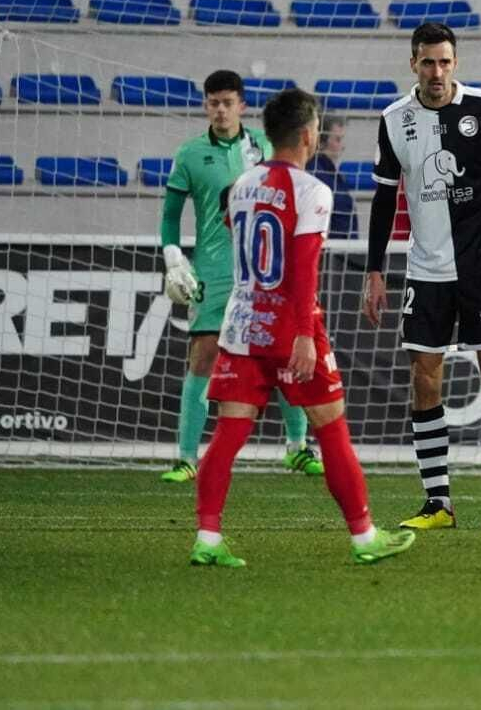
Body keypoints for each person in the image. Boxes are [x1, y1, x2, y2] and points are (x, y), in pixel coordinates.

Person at [188, 88, 415, 567]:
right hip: (291, 325)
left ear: (270, 134)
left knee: (229, 432)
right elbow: (306, 266)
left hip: (243, 322)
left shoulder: (243, 183)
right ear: (310, 136)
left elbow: (233, 228)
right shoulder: (313, 190)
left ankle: (207, 539)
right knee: (331, 430)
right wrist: (304, 334)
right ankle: (364, 537)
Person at [362, 22, 481, 532]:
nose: (437, 72)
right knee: (424, 379)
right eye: (427, 62)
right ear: (413, 64)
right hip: (425, 270)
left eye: (445, 61)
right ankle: (438, 503)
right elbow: (385, 199)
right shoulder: (393, 120)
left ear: (456, 63)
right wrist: (375, 269)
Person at [159, 69, 321, 484]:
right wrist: (173, 255)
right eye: (213, 102)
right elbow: (171, 216)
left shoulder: (267, 146)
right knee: (204, 354)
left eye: (227, 102)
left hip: (264, 270)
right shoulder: (190, 154)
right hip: (213, 269)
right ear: (205, 105)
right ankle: (185, 458)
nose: (220, 109)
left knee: (284, 353)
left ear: (242, 106)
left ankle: (297, 448)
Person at [308, 115, 359, 239]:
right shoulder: (317, 174)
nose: (342, 146)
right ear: (321, 141)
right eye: (338, 139)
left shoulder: (332, 174)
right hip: (332, 251)